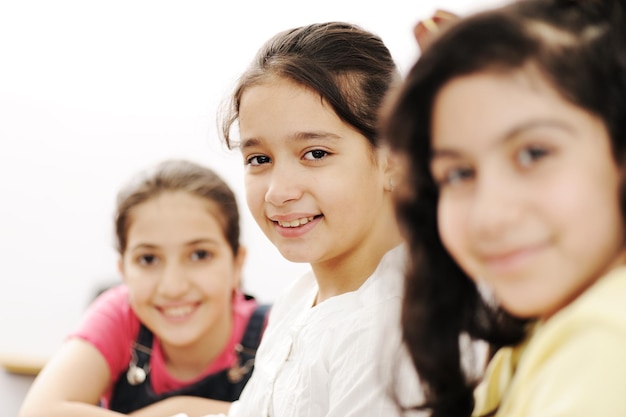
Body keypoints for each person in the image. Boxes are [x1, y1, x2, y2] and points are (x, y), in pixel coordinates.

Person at [381, 0, 626, 416]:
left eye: (533, 153)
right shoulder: (545, 328)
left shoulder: (604, 339)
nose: (489, 216)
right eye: (458, 174)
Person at [200, 21, 425, 417]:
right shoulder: (300, 299)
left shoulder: (389, 333)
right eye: (259, 159)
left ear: (394, 158)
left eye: (315, 154)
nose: (278, 191)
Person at [19, 159, 270, 417]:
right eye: (148, 259)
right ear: (123, 271)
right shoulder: (120, 314)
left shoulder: (278, 331)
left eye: (200, 255)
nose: (173, 287)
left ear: (237, 263)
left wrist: (177, 409)